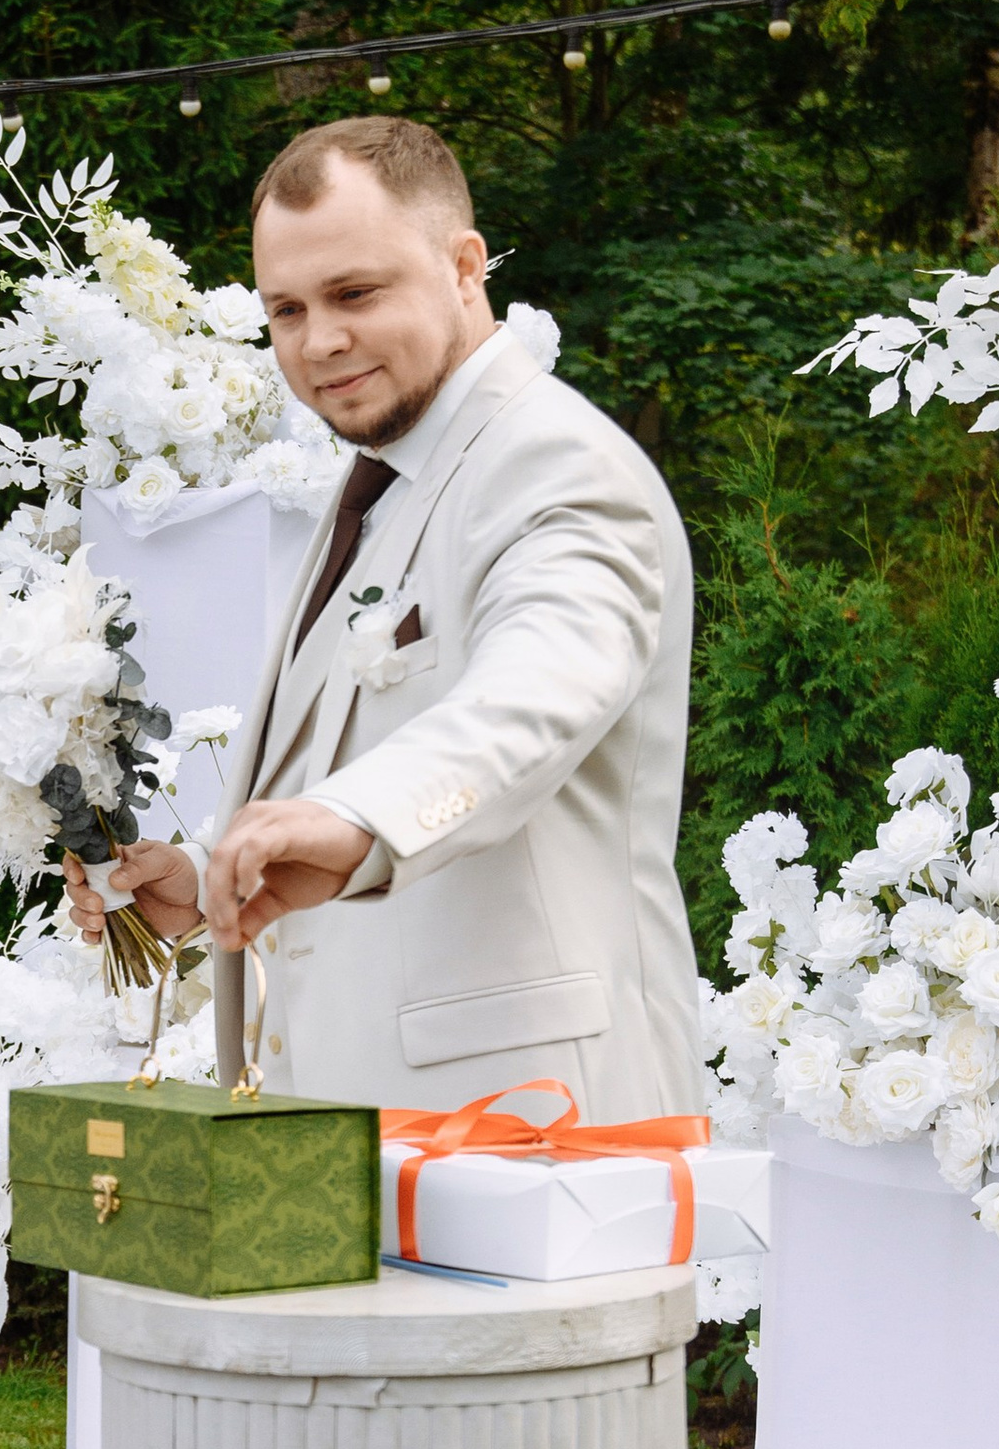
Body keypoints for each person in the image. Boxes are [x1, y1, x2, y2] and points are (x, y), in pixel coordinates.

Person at [73, 117, 701, 1122]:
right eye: (286, 308)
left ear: (463, 267)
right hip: (358, 1132)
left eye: (354, 293)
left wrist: (354, 817)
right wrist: (208, 880)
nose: (317, 341)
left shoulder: (555, 465)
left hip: (529, 1135)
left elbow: (536, 690)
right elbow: (346, 757)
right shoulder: (382, 481)